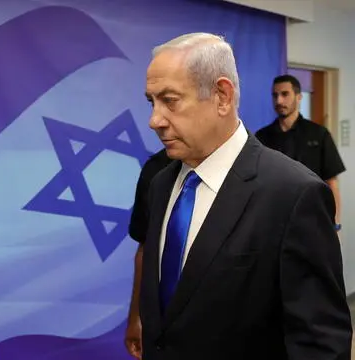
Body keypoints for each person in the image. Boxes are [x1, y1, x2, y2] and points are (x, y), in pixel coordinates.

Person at [139, 33, 351, 359]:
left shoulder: (295, 195)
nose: (155, 120)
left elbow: (319, 343)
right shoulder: (160, 184)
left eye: (170, 100)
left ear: (222, 96)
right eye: (151, 102)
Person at [256, 74, 346, 230]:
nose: (279, 101)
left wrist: (335, 226)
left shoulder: (319, 134)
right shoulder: (262, 137)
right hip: (273, 222)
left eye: (285, 94)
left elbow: (332, 183)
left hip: (312, 221)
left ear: (298, 97)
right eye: (275, 95)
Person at [125, 149, 172, 358]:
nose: (156, 122)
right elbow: (145, 248)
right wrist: (137, 316)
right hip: (166, 322)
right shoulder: (156, 169)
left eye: (172, 112)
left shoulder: (259, 171)